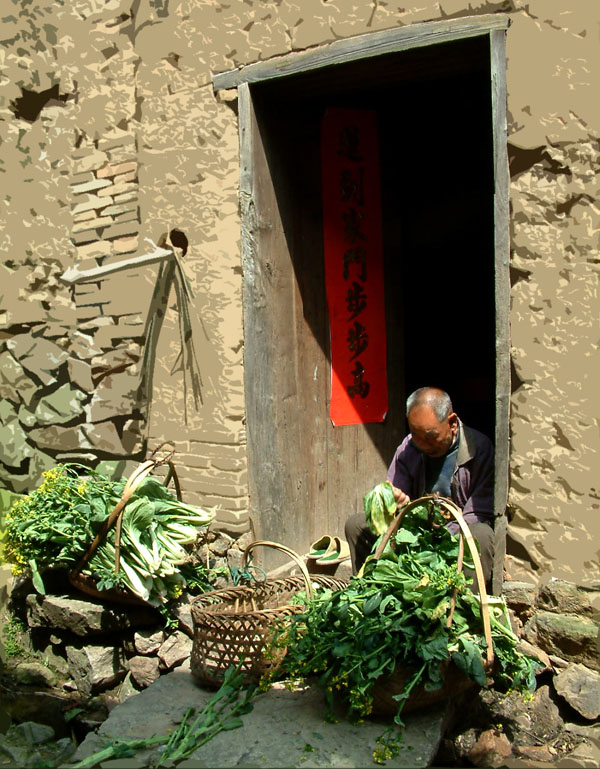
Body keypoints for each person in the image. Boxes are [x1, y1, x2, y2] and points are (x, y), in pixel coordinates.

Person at [345, 386, 495, 591]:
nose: (423, 444)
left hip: (455, 538)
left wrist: (440, 538)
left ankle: (465, 605)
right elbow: (395, 506)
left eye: (430, 436)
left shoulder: (479, 450)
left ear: (451, 423)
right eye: (416, 435)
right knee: (357, 525)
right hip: (413, 537)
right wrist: (395, 502)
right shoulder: (409, 448)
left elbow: (478, 513)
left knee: (482, 535)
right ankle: (370, 593)